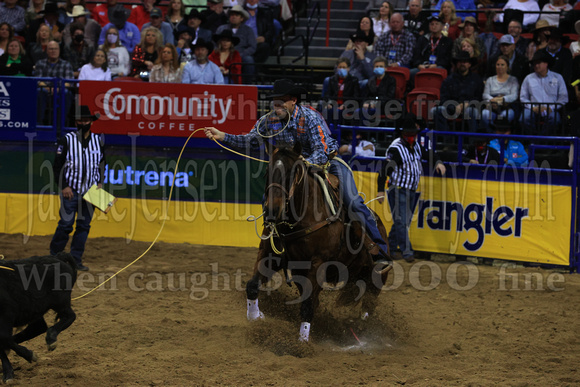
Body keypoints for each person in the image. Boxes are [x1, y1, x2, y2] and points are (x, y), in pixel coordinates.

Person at [204, 79, 390, 261]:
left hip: (328, 163)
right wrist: (223, 136)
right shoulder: (268, 121)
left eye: (282, 99)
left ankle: (379, 248)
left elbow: (322, 149)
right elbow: (251, 140)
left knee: (353, 202)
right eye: (275, 100)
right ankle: (273, 244)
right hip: (295, 169)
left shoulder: (310, 117)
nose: (278, 104)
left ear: (293, 100)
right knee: (270, 198)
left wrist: (304, 162)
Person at [377, 116, 446, 262]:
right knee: (402, 221)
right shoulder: (396, 148)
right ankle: (407, 252)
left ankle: (388, 248)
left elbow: (430, 153)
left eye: (412, 135)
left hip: (410, 190)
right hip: (398, 189)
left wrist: (438, 162)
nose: (411, 138)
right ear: (403, 134)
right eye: (408, 135)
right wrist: (380, 189)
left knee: (402, 222)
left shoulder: (416, 147)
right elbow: (385, 170)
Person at [50, 105, 105, 272]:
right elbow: (57, 166)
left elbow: (102, 163)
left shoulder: (98, 140)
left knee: (84, 226)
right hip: (71, 190)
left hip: (91, 191)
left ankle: (76, 260)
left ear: (91, 122)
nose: (84, 123)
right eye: (81, 120)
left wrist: (101, 183)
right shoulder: (66, 140)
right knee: (66, 225)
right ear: (76, 122)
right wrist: (64, 186)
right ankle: (55, 257)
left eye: (86, 120)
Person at [433, 51, 483, 134]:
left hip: (470, 107)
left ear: (469, 64)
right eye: (460, 62)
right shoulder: (449, 80)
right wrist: (454, 106)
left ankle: (472, 143)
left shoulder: (477, 79)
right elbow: (444, 98)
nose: (462, 64)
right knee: (437, 110)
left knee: (471, 112)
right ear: (456, 64)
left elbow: (479, 98)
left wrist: (467, 104)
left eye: (465, 62)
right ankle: (446, 143)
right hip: (451, 108)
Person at [520, 50, 568, 135]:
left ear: (546, 64)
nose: (536, 65)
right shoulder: (528, 78)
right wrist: (532, 107)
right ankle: (534, 139)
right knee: (524, 118)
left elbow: (563, 97)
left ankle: (544, 141)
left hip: (551, 108)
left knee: (555, 119)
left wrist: (551, 108)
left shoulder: (558, 77)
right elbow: (523, 97)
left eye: (538, 63)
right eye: (534, 63)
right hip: (532, 108)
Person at [33, 40, 74, 125]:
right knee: (39, 91)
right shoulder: (40, 63)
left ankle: (60, 125)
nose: (53, 51)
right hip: (45, 91)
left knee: (66, 93)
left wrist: (58, 89)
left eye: (55, 49)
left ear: (59, 51)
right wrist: (49, 89)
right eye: (51, 49)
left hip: (60, 91)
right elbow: (38, 80)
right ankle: (39, 124)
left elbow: (69, 82)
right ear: (47, 51)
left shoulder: (66, 64)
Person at [216, 5, 256, 82]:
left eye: (236, 15)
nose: (233, 17)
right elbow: (215, 43)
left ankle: (247, 83)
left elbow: (252, 47)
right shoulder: (222, 28)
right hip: (223, 53)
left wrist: (240, 55)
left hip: (241, 54)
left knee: (249, 60)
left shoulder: (248, 30)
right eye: (231, 15)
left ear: (242, 18)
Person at [481, 55, 519, 130]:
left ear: (507, 67)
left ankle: (502, 136)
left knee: (506, 115)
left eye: (502, 65)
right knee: (485, 114)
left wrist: (502, 99)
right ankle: (492, 135)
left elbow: (514, 95)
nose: (500, 67)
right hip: (492, 106)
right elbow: (485, 95)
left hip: (507, 106)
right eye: (498, 65)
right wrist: (493, 100)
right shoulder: (490, 80)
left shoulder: (513, 80)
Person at [320, 57, 361, 125]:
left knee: (338, 112)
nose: (342, 69)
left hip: (347, 106)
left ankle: (338, 133)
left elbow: (356, 97)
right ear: (337, 68)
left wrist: (345, 105)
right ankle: (327, 132)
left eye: (344, 67)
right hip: (334, 105)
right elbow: (328, 94)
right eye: (340, 67)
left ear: (348, 68)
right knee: (326, 110)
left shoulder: (354, 80)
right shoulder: (332, 80)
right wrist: (330, 103)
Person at [361, 56, 396, 125]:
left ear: (385, 68)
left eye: (381, 66)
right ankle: (359, 133)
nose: (378, 68)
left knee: (369, 112)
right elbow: (366, 95)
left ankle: (366, 133)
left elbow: (389, 97)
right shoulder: (370, 81)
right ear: (373, 68)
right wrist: (366, 103)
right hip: (371, 106)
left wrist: (376, 103)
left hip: (385, 107)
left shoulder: (391, 80)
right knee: (358, 111)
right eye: (376, 66)